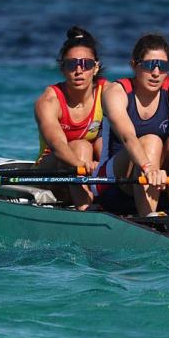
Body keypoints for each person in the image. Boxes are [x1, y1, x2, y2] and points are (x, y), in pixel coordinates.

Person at [95, 33, 169, 217]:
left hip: (156, 180)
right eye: (150, 65)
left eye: (163, 66)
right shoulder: (116, 92)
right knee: (152, 141)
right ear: (134, 65)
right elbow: (128, 137)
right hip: (113, 185)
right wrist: (149, 168)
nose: (156, 73)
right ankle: (148, 217)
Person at [34, 26, 106, 210]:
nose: (79, 70)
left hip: (89, 174)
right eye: (71, 64)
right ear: (63, 68)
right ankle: (85, 211)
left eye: (86, 64)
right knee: (81, 145)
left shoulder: (108, 92)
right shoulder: (49, 100)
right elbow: (58, 147)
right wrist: (83, 165)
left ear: (95, 68)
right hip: (53, 176)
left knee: (101, 143)